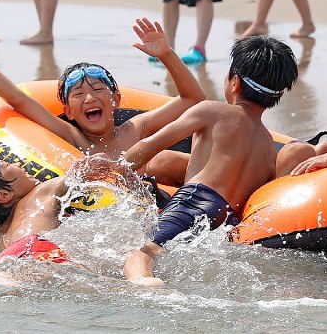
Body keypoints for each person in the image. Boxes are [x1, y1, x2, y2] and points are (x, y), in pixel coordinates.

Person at [0, 17, 204, 188]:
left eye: (98, 89)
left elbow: (193, 100)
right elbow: (17, 99)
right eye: (79, 95)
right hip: (111, 210)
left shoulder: (136, 129)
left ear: (116, 100)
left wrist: (166, 55)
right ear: (68, 112)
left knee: (164, 160)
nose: (90, 98)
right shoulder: (73, 138)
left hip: (165, 196)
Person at [119, 35, 299, 285]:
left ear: (234, 81)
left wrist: (114, 170)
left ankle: (144, 283)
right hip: (228, 219)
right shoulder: (269, 147)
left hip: (194, 199)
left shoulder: (212, 111)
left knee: (143, 252)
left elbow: (149, 145)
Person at [0, 153, 134, 263]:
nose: (19, 165)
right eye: (9, 166)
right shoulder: (40, 193)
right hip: (36, 247)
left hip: (12, 256)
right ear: (4, 195)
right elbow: (96, 163)